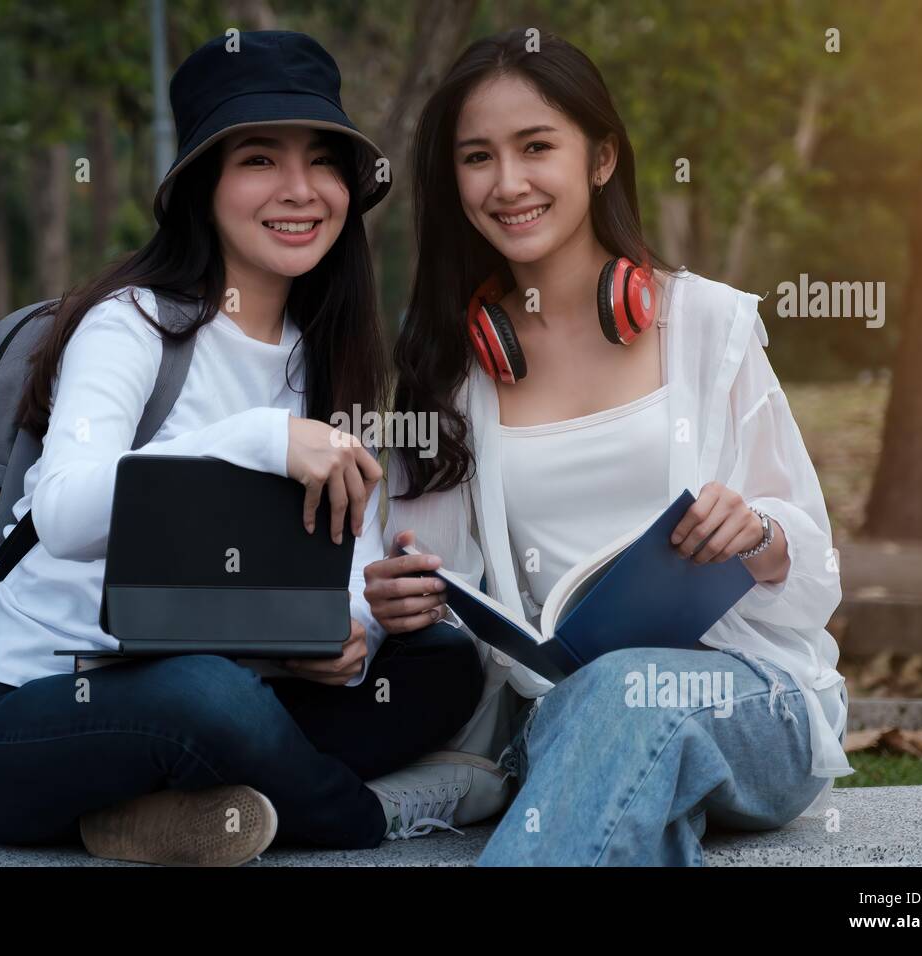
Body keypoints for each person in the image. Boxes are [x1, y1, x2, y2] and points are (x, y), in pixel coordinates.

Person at [0, 30, 484, 868]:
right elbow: (67, 512)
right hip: (19, 710)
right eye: (259, 159)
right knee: (205, 695)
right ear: (203, 188)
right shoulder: (134, 325)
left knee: (441, 662)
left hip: (230, 688)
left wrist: (353, 630)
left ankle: (164, 813)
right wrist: (260, 438)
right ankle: (362, 817)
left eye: (322, 162)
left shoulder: (326, 353)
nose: (300, 191)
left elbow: (343, 560)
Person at [363, 28, 853, 865]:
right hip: (565, 717)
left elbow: (815, 578)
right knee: (608, 711)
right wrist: (403, 599)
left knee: (630, 691)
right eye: (478, 157)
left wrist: (761, 537)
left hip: (751, 706)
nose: (507, 182)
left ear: (599, 160)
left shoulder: (708, 324)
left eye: (536, 147)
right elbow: (436, 582)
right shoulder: (449, 374)